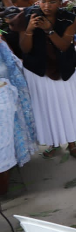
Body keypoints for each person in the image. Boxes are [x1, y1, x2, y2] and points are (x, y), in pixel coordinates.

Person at [9, 0, 76, 161]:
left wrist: (49, 30)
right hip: (38, 72)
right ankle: (53, 143)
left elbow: (63, 46)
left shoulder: (69, 19)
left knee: (66, 107)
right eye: (43, 1)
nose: (46, 6)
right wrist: (29, 29)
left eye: (52, 2)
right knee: (46, 109)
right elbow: (25, 48)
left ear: (60, 2)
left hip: (64, 70)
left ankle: (72, 145)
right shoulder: (27, 16)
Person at [0, 36, 37, 194]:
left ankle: (4, 187)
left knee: (5, 146)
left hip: (5, 95)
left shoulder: (2, 43)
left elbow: (12, 67)